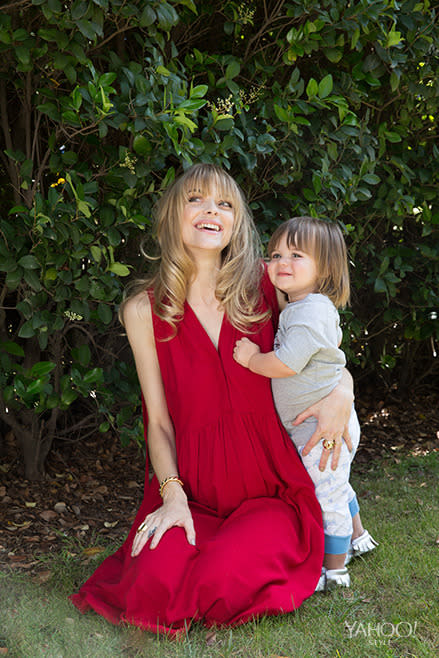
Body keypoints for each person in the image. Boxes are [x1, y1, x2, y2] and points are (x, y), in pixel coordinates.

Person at [70, 165, 355, 636]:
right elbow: (158, 422)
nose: (211, 211)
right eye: (196, 199)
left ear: (236, 221)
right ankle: (182, 528)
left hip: (270, 488)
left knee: (222, 578)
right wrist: (173, 498)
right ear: (170, 215)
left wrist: (342, 391)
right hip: (193, 491)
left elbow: (323, 348)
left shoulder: (268, 283)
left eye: (224, 203)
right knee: (152, 584)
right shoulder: (143, 309)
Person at [233, 216, 378, 592]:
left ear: (324, 267)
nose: (282, 262)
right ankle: (359, 538)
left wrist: (251, 359)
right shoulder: (302, 304)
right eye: (276, 253)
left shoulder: (311, 312)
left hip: (320, 426)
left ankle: (333, 569)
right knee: (335, 485)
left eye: (297, 255)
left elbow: (285, 364)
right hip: (316, 420)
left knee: (325, 495)